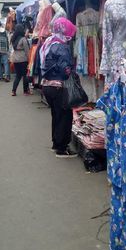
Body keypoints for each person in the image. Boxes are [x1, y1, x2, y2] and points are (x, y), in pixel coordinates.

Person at [40, 17, 77, 158]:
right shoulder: (61, 46)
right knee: (64, 117)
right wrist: (70, 72)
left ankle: (56, 144)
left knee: (56, 115)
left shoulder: (49, 42)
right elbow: (64, 69)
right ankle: (62, 148)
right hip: (58, 86)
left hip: (47, 86)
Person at [10, 24, 31, 96]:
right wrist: (29, 60)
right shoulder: (23, 39)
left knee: (18, 76)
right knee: (25, 75)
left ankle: (13, 91)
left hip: (15, 59)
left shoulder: (13, 39)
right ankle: (25, 91)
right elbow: (27, 51)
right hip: (23, 59)